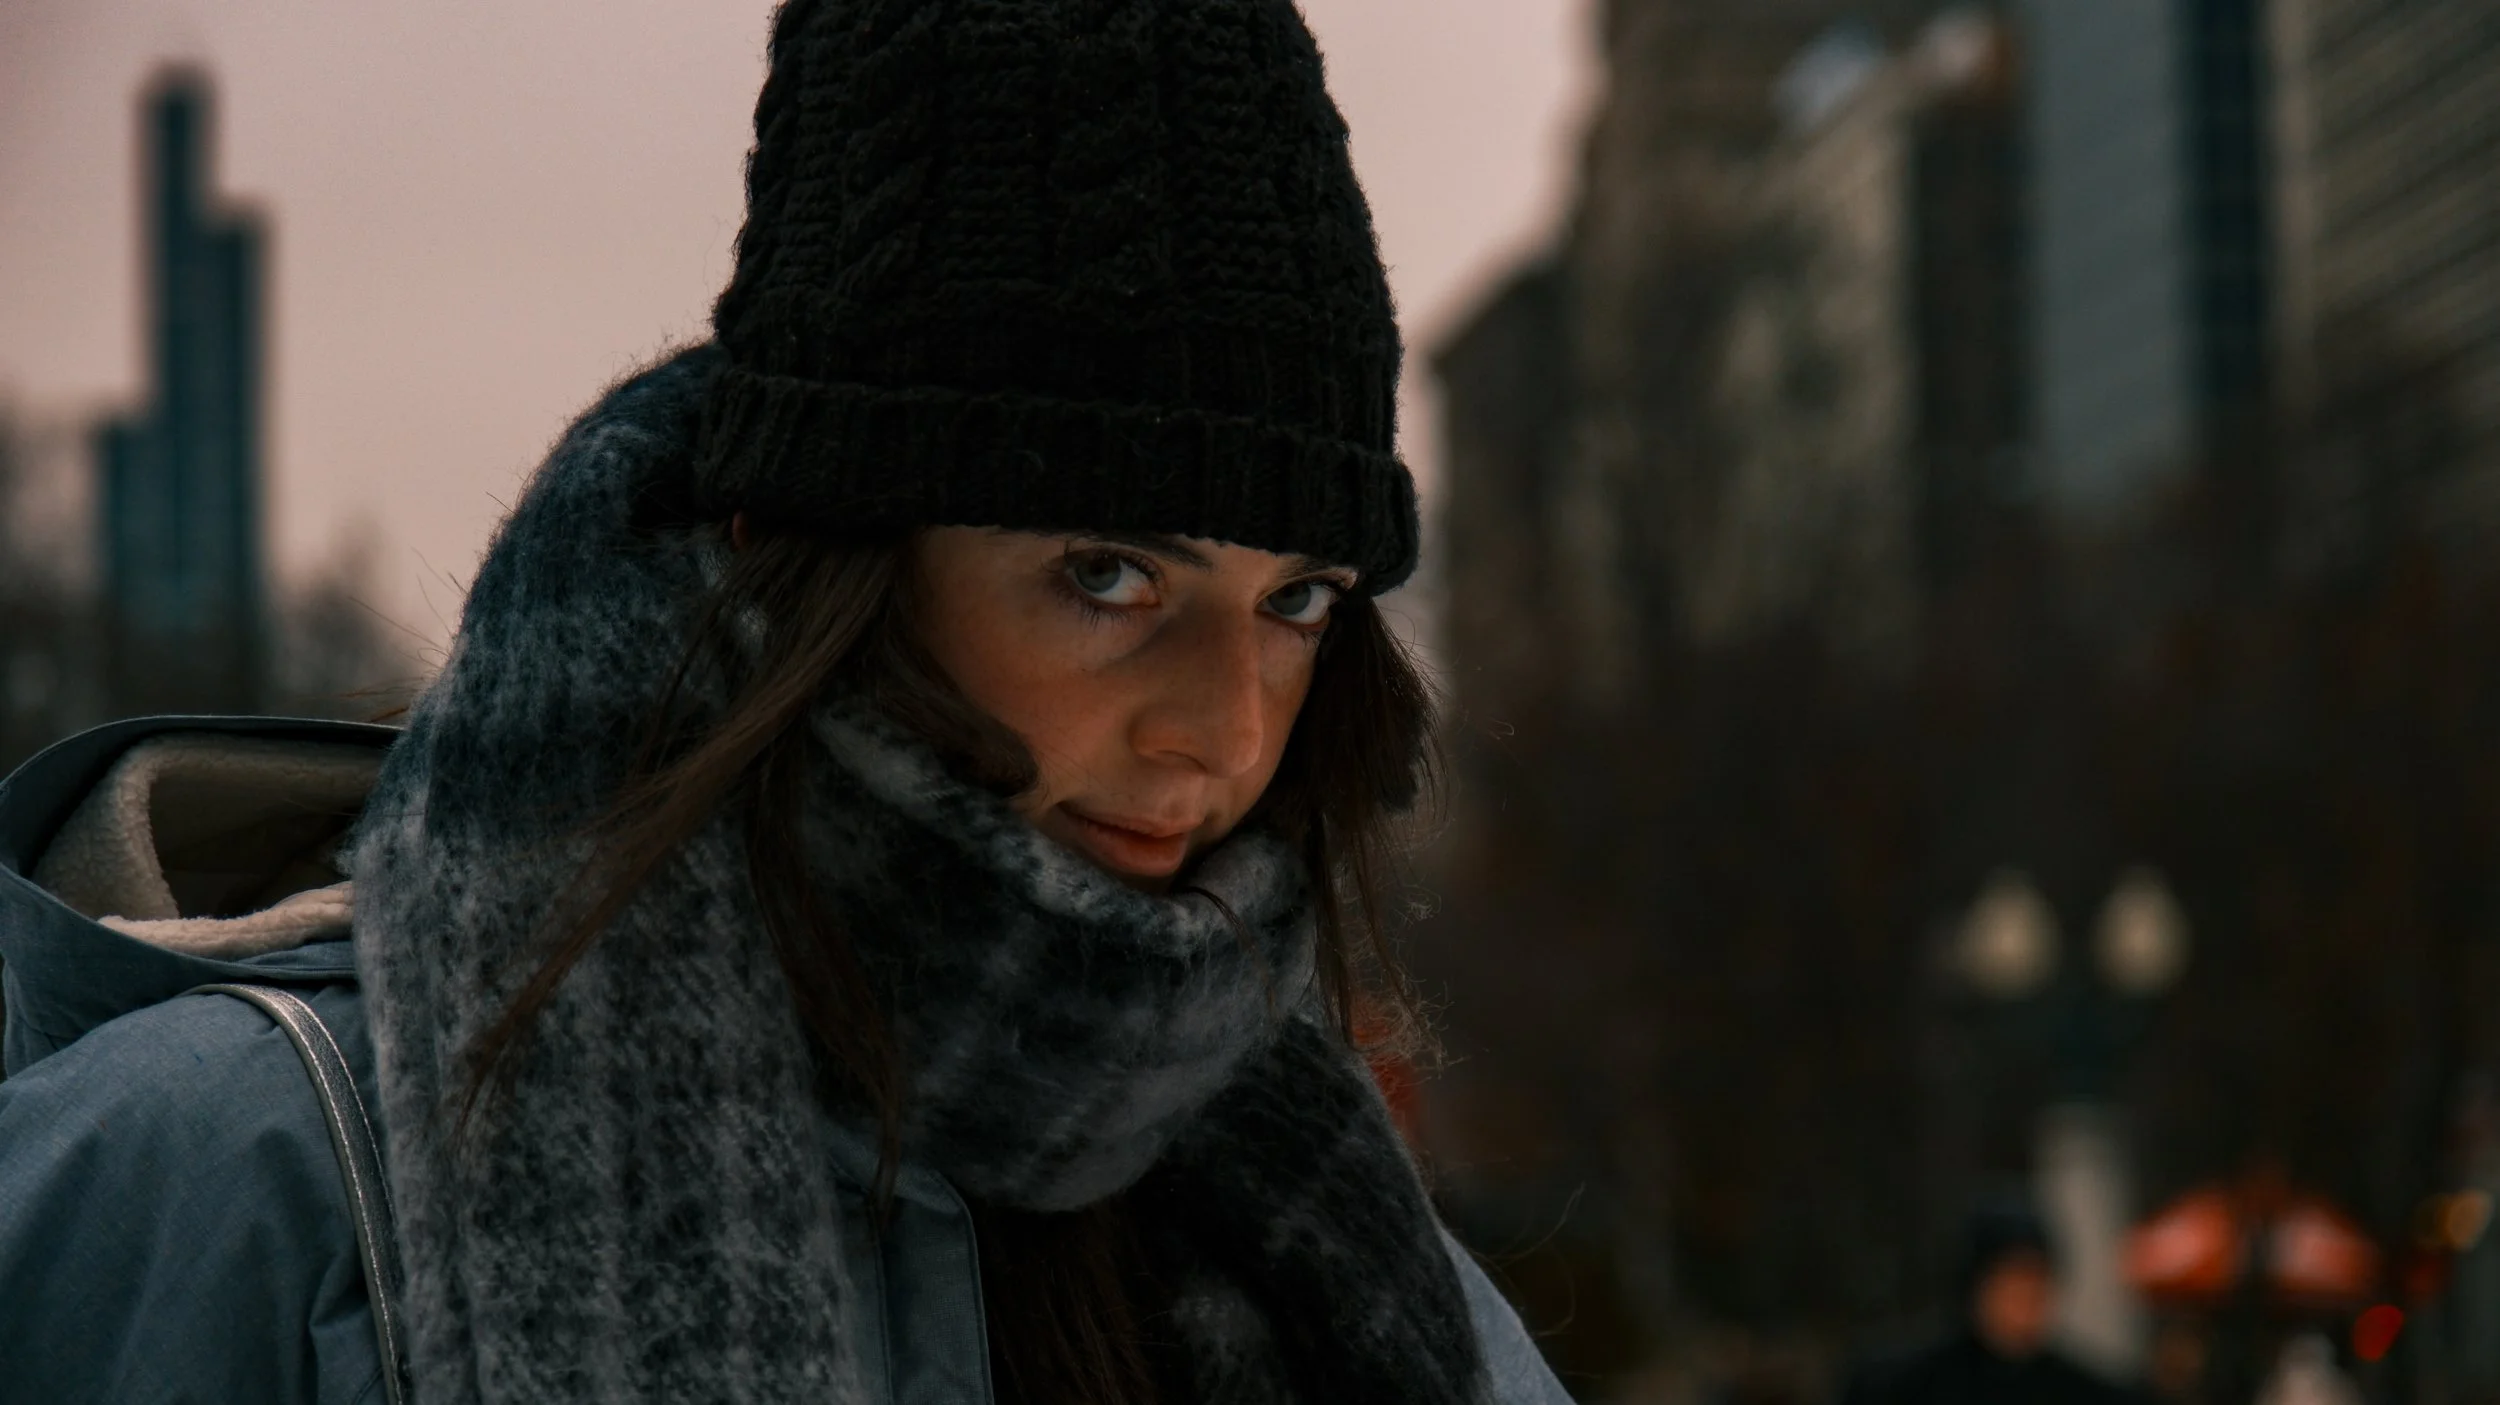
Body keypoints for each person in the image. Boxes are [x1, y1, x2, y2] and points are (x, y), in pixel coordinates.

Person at [0, 2, 1574, 1402]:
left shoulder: (1334, 1247)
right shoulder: (228, 1183)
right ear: (806, 556)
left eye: (1297, 600)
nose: (1225, 733)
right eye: (1109, 577)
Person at [1838, 1206, 2139, 1405]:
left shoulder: (2085, 1392)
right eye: (2012, 1284)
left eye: (2037, 1285)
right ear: (1977, 1289)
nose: (2025, 1302)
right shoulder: (1902, 1384)